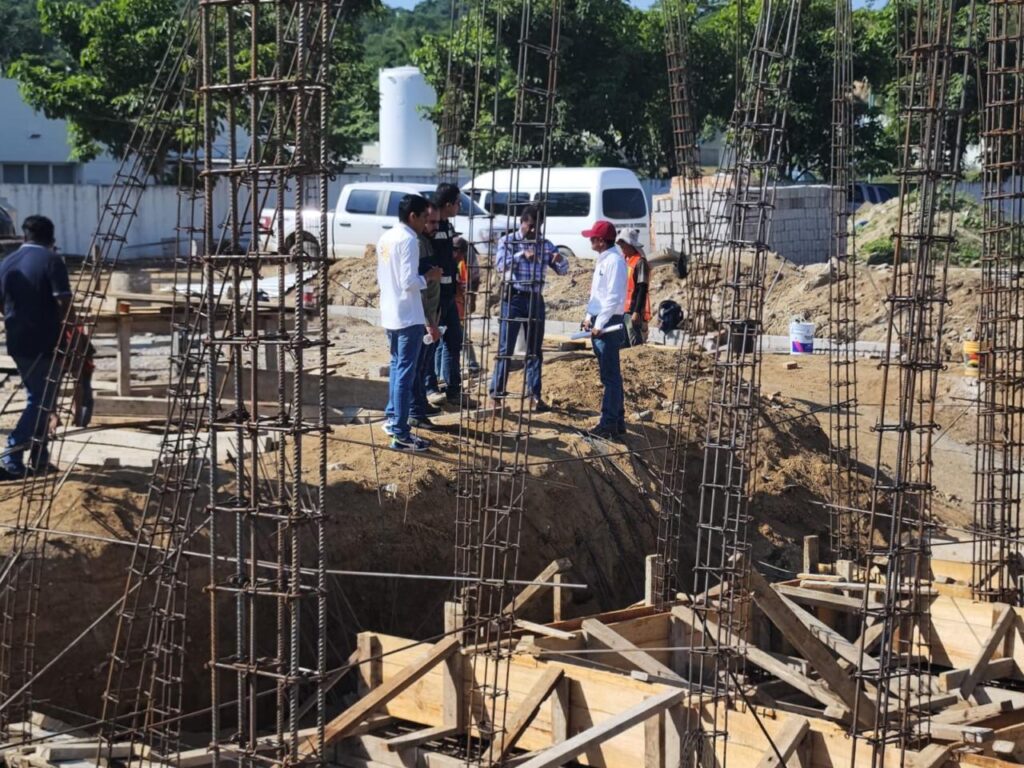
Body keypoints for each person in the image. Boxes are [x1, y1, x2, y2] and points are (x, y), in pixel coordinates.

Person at [0, 215, 72, 477]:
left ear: (24, 237)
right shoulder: (52, 260)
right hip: (45, 341)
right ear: (51, 239)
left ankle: (40, 458)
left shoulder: (6, 263)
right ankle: (12, 456)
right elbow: (64, 301)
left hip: (18, 343)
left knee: (45, 399)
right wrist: (73, 333)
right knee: (41, 400)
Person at [378, 195, 442, 452]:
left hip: (391, 314)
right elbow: (408, 282)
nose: (427, 222)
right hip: (407, 316)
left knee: (397, 368)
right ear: (413, 216)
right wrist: (429, 276)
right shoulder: (409, 240)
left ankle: (393, 419)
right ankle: (401, 434)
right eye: (425, 217)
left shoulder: (386, 237)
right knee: (405, 373)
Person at [489, 205, 568, 412]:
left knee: (534, 351)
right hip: (514, 298)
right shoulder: (509, 241)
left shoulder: (545, 244)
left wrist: (559, 260)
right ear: (522, 222)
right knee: (506, 349)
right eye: (530, 226)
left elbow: (562, 270)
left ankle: (534, 395)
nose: (533, 231)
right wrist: (521, 255)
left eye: (537, 226)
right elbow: (500, 266)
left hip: (535, 299)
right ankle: (496, 394)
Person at [581, 220, 627, 439]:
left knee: (611, 377)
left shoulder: (615, 262)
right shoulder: (604, 260)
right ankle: (616, 421)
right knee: (609, 375)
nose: (590, 240)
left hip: (608, 322)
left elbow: (613, 297)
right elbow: (597, 295)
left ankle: (609, 423)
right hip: (601, 321)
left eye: (593, 237)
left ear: (601, 240)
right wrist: (589, 318)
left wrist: (599, 324)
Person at [427, 183, 464, 406]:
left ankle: (453, 390)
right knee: (430, 343)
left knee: (454, 341)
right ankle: (430, 388)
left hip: (448, 293)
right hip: (435, 295)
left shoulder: (447, 226)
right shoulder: (432, 227)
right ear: (448, 204)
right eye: (458, 202)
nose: (459, 206)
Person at [408, 203, 443, 430]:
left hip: (429, 313)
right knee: (415, 367)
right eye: (430, 221)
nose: (433, 226)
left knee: (422, 365)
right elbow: (420, 289)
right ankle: (415, 413)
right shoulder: (416, 245)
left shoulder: (426, 242)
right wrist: (429, 322)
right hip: (421, 316)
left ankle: (420, 406)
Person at [617, 228, 651, 346]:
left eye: (623, 246)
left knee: (634, 341)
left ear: (631, 245)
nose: (621, 249)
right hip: (623, 308)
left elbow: (642, 288)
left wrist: (637, 311)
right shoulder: (624, 260)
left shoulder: (640, 262)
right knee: (624, 341)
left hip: (633, 309)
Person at [452, 236, 480, 374]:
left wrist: (471, 300)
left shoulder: (462, 264)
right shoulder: (455, 263)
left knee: (461, 334)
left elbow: (472, 280)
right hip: (454, 305)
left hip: (459, 306)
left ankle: (472, 362)